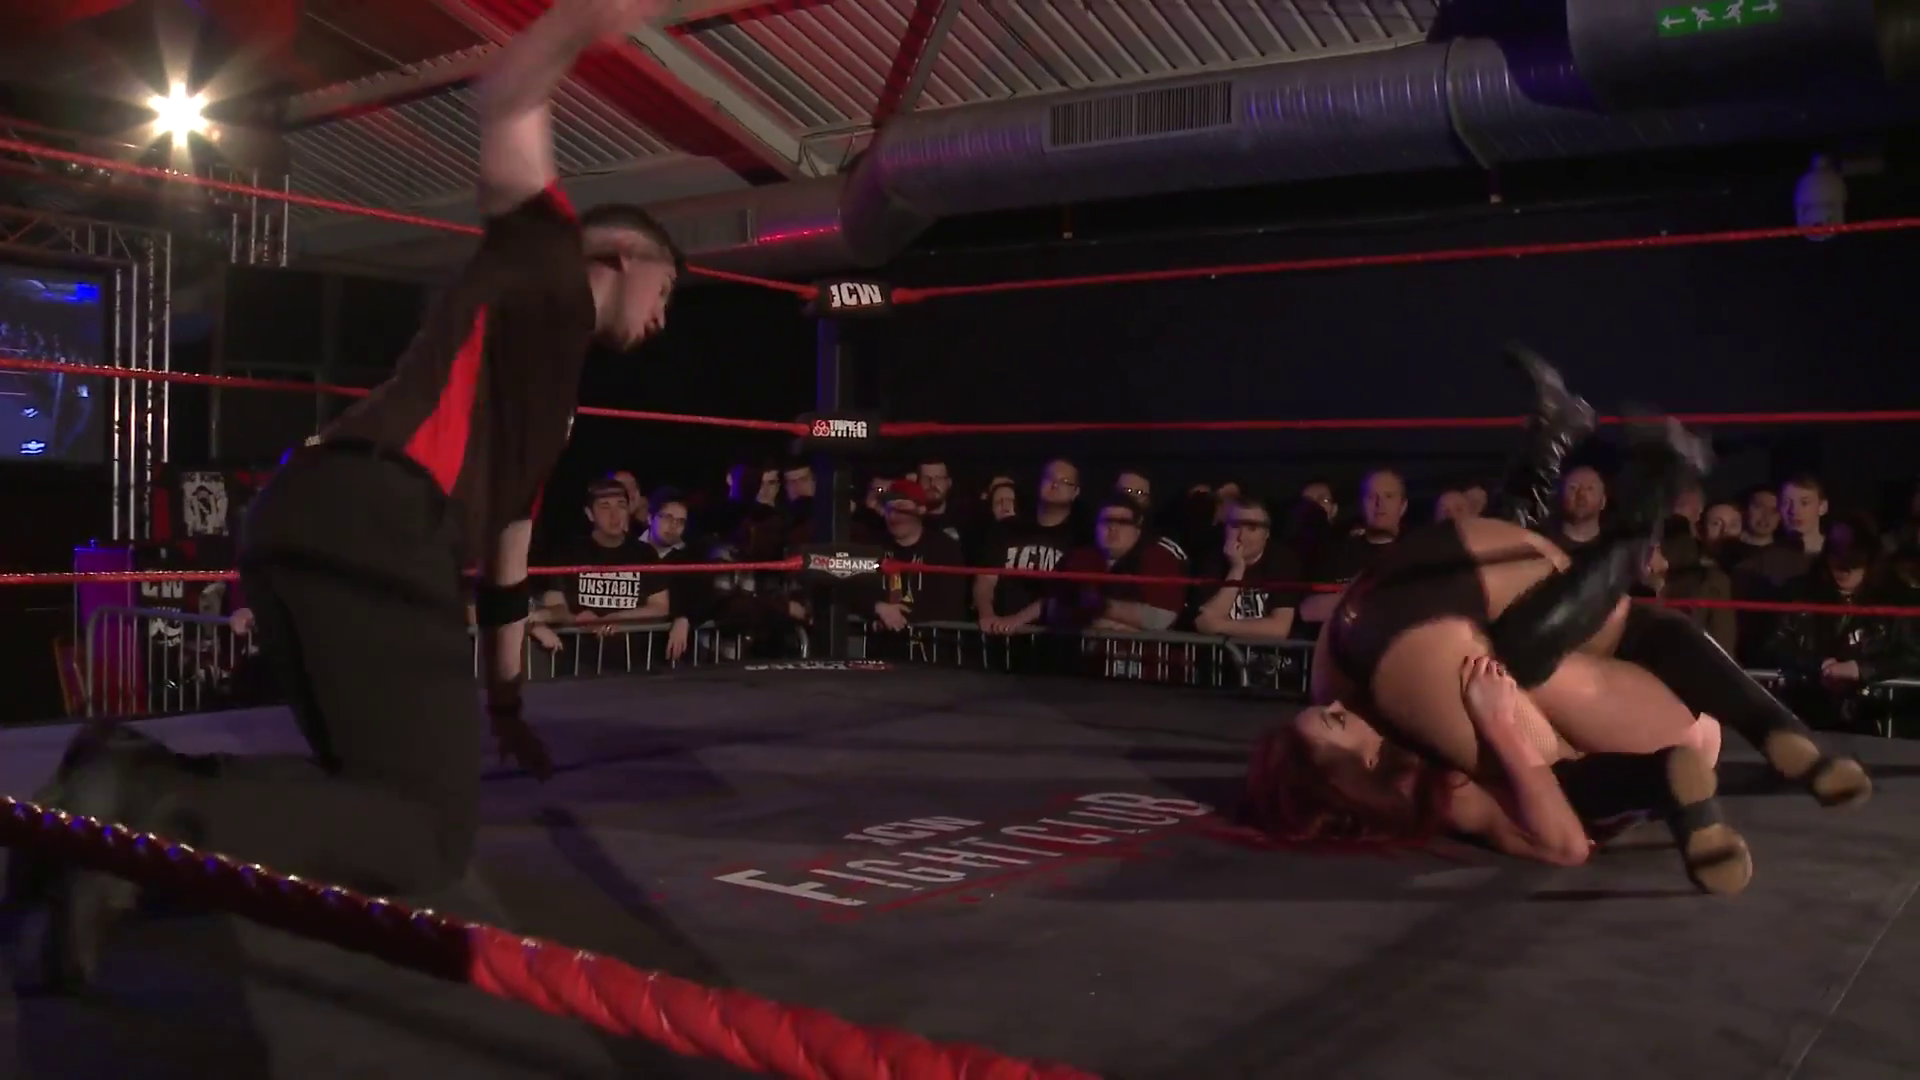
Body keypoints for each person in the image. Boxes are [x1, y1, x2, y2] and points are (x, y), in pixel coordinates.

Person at [5, 0, 679, 990]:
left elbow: (509, 555)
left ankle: (121, 790)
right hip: (374, 522)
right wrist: (582, 20)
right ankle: (142, 798)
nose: (665, 315)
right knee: (423, 835)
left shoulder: (549, 395)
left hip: (311, 519)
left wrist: (505, 701)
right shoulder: (544, 254)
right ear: (622, 258)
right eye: (667, 289)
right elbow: (507, 97)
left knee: (371, 790)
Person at [1252, 348, 1870, 893]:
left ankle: (1584, 448)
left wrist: (1496, 718)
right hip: (1639, 730)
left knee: (1519, 636)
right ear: (1358, 769)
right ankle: (1638, 477)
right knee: (1532, 658)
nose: (1341, 707)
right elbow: (1564, 836)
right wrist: (1502, 728)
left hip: (1613, 698)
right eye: (1335, 720)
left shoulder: (1411, 745)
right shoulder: (1436, 787)